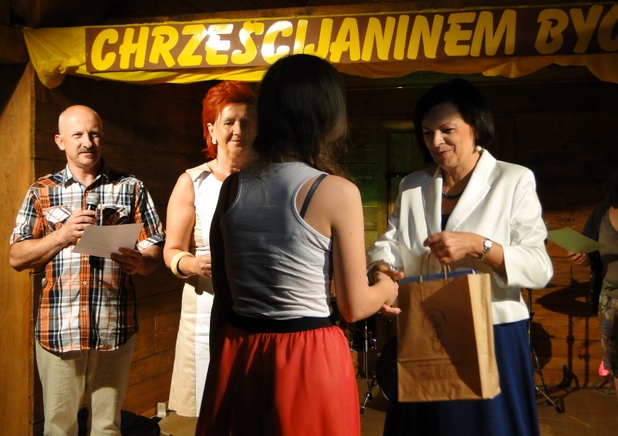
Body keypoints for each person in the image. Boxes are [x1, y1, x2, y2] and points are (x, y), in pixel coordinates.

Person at [195, 54, 400, 436]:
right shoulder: (336, 191)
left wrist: (220, 372)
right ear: (327, 115)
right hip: (308, 355)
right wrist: (386, 286)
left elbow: (224, 298)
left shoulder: (232, 187)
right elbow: (354, 305)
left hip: (240, 348)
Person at [366, 78, 553, 436]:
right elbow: (389, 243)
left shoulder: (512, 180)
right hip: (427, 327)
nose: (436, 141)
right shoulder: (413, 185)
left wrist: (479, 245)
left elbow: (539, 267)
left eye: (447, 129)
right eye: (427, 133)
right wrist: (381, 271)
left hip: (492, 331)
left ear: (476, 127)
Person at [9, 105, 165, 436]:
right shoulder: (42, 190)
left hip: (114, 325)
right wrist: (63, 235)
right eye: (77, 134)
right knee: (58, 427)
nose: (87, 142)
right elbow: (16, 256)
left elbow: (155, 246)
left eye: (94, 134)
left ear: (102, 138)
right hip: (59, 327)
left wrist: (142, 261)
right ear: (60, 141)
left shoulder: (131, 187)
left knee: (107, 427)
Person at [164, 80, 256, 417]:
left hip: (258, 307)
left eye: (246, 122)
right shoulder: (192, 182)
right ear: (212, 131)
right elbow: (172, 250)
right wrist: (192, 264)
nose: (238, 130)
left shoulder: (268, 179)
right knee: (211, 407)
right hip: (206, 306)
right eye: (229, 122)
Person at [569, 169, 618, 400]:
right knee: (616, 363)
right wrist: (583, 258)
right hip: (610, 301)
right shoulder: (601, 215)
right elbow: (590, 255)